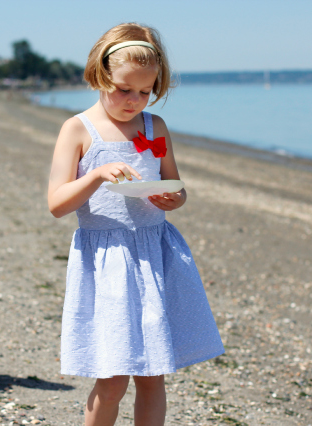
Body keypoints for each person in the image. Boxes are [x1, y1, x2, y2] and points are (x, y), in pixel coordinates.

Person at [48, 23, 224, 425]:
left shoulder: (154, 127)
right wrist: (94, 176)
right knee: (111, 381)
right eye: (125, 89)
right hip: (107, 261)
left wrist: (172, 198)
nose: (134, 101)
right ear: (100, 75)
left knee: (152, 375)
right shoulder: (78, 129)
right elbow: (57, 204)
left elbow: (176, 188)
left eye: (145, 92)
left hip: (154, 254)